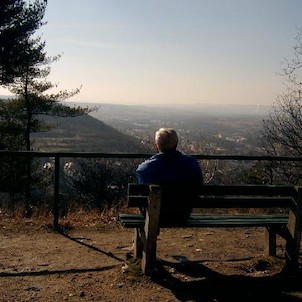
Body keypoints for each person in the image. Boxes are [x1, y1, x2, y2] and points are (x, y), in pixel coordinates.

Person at [136, 128, 203, 225]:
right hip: (182, 215)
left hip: (154, 214)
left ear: (156, 146)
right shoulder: (192, 164)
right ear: (176, 144)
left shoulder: (145, 168)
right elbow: (198, 187)